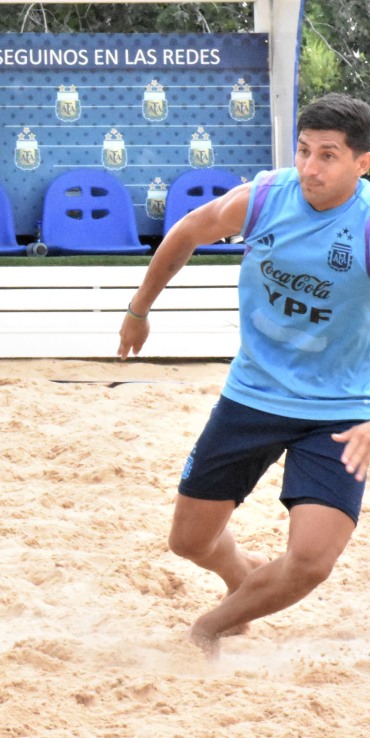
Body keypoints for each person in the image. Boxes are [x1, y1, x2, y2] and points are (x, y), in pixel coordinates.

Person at [118, 92, 370, 659]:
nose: (310, 167)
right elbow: (184, 231)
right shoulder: (264, 198)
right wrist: (139, 310)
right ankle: (245, 578)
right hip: (253, 395)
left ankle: (208, 629)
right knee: (188, 542)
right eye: (304, 150)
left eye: (329, 155)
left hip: (340, 409)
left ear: (363, 162)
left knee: (310, 563)